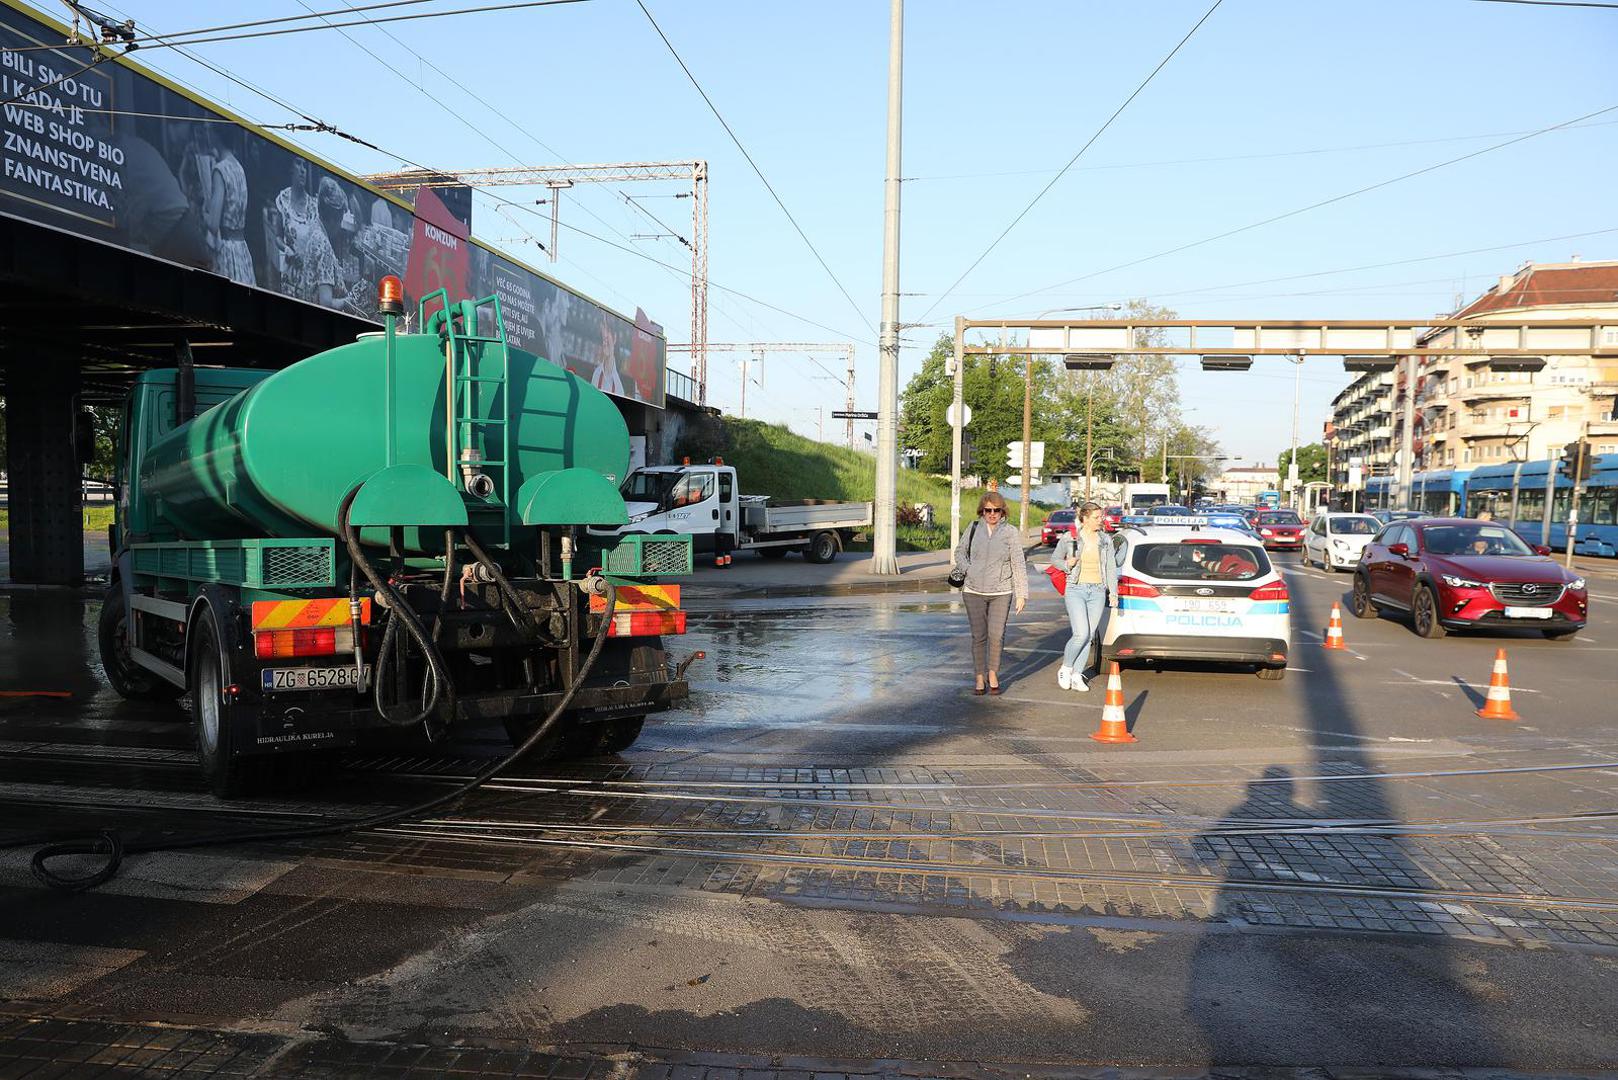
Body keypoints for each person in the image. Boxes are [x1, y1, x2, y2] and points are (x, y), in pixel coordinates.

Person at [952, 491, 1028, 696]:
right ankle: (979, 676)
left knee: (997, 635)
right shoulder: (974, 527)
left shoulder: (1010, 532)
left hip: (1001, 591)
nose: (992, 514)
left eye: (996, 510)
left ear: (1003, 511)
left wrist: (1021, 594)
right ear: (982, 511)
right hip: (973, 590)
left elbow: (1018, 563)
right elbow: (959, 551)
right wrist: (968, 569)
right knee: (979, 636)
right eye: (988, 510)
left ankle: (993, 673)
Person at [1049, 502, 1116, 692]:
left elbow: (1110, 567)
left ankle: (1077, 675)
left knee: (1089, 637)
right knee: (1081, 634)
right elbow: (1054, 559)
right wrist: (1065, 564)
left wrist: (1113, 593)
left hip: (1097, 591)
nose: (1100, 520)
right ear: (1085, 519)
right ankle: (1066, 668)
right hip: (1075, 589)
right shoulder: (1071, 538)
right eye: (1096, 517)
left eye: (1101, 516)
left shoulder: (1105, 540)